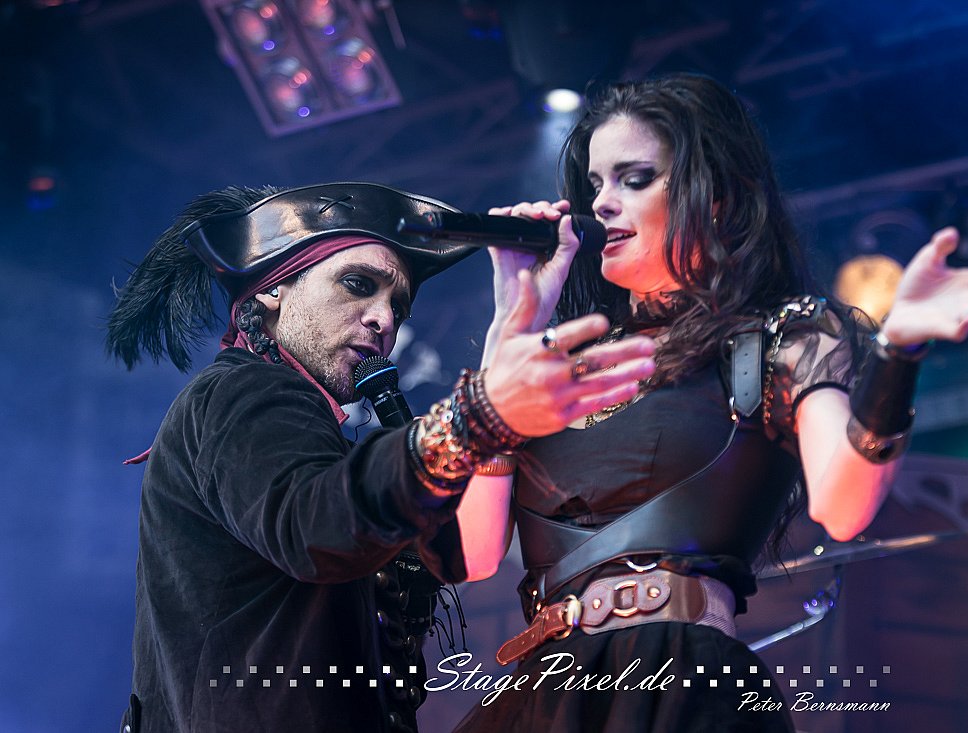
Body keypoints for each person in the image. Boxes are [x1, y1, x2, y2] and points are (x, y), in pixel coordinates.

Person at [452, 74, 968, 732]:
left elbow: (844, 506)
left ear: (716, 198)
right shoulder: (554, 366)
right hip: (549, 693)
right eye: (595, 185)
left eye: (634, 179)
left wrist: (898, 351)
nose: (603, 204)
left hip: (677, 681)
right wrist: (510, 330)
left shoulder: (777, 340)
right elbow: (474, 553)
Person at [105, 181, 656, 733]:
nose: (383, 319)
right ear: (274, 288)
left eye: (397, 305)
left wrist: (513, 330)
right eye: (357, 285)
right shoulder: (242, 392)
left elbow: (470, 553)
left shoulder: (324, 452)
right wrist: (474, 417)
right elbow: (316, 529)